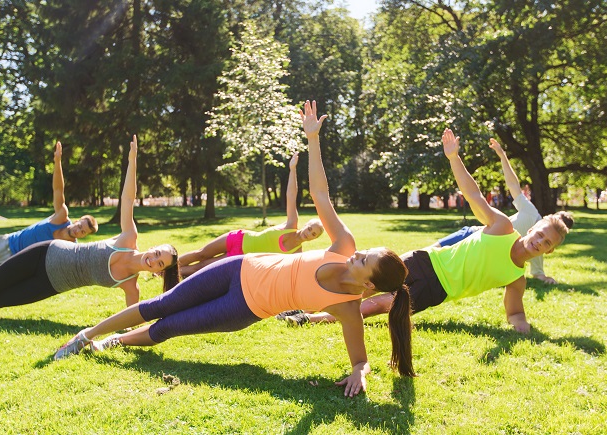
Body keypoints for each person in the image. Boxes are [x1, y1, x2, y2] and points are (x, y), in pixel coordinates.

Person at [53, 101, 413, 397]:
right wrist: (313, 140)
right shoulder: (343, 244)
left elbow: (358, 359)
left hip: (243, 307)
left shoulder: (348, 308)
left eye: (364, 260)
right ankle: (84, 336)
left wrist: (360, 372)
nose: (357, 253)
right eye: (365, 251)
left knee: (169, 328)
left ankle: (116, 342)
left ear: (368, 285)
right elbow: (320, 194)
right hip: (238, 267)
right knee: (159, 305)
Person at [284, 129, 573, 334]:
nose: (539, 241)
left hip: (440, 289)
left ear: (549, 250)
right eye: (540, 233)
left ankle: (313, 319)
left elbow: (515, 312)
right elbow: (474, 196)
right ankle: (304, 304)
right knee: (367, 282)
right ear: (533, 226)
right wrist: (453, 158)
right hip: (428, 259)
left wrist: (522, 326)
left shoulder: (516, 278)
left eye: (546, 242)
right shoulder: (503, 227)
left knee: (382, 304)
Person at [0, 135, 179, 314]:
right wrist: (132, 160)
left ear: (158, 271)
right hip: (45, 253)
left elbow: (130, 317)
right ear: (153, 247)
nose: (153, 259)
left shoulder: (130, 286)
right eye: (157, 253)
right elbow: (128, 199)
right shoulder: (128, 239)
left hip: (50, 284)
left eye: (159, 263)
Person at [0, 141, 98, 286]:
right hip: (3, 243)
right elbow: (58, 190)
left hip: (9, 263)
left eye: (83, 231)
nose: (78, 230)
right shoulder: (61, 217)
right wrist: (57, 161)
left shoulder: (69, 248)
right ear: (77, 220)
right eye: (80, 225)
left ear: (84, 236)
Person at [432, 138, 557, 284]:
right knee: (426, 255)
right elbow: (513, 185)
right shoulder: (531, 215)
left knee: (439, 271)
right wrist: (503, 155)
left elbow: (537, 271)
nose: (543, 239)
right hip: (474, 234)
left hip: (480, 254)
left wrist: (543, 277)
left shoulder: (538, 244)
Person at [178, 153, 324, 277]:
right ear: (306, 225)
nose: (309, 233)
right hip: (239, 238)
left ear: (314, 239)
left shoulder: (296, 253)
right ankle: (167, 265)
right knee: (201, 254)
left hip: (239, 258)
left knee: (202, 267)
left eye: (313, 234)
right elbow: (291, 195)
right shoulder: (291, 224)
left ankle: (168, 273)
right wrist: (292, 170)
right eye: (310, 228)